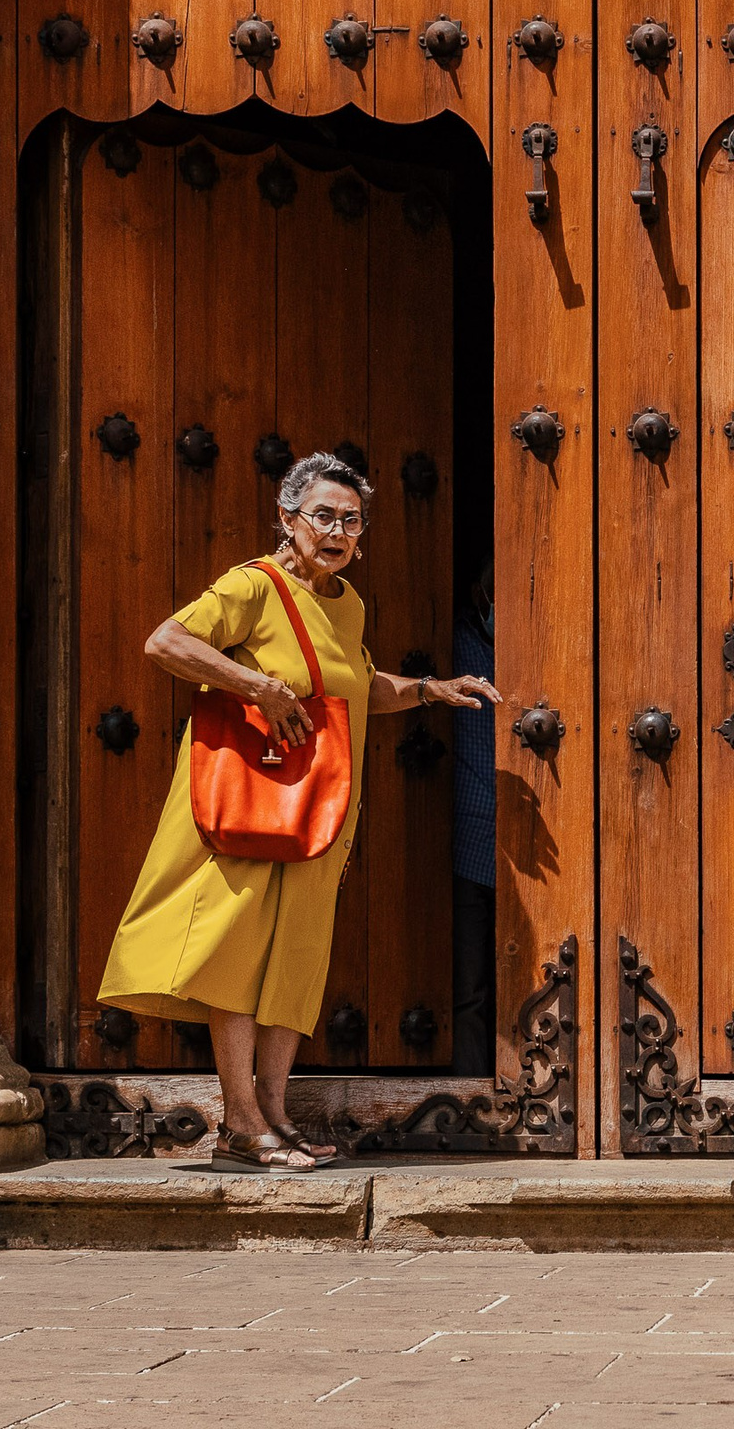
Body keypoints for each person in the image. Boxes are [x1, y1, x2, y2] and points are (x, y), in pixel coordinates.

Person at [97, 452, 501, 1171]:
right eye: (324, 516)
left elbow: (354, 684)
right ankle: (239, 1123)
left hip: (317, 806)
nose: (338, 530)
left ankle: (274, 1117)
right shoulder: (252, 586)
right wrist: (257, 686)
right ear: (287, 519)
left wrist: (429, 691)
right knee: (238, 955)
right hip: (252, 801)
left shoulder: (345, 601)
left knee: (294, 961)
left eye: (351, 519)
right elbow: (168, 641)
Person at [449, 559, 496, 1075]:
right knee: (469, 989)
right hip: (467, 841)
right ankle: (469, 1093)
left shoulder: (540, 648)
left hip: (531, 846)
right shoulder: (457, 646)